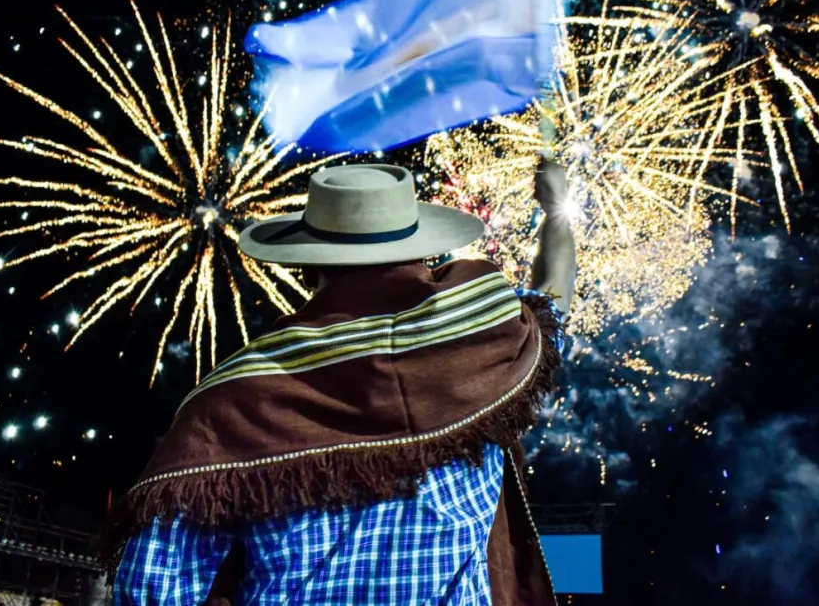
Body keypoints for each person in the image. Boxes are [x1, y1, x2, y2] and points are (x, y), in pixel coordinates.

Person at [103, 160, 577, 605]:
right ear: (418, 247)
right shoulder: (486, 352)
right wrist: (557, 212)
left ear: (308, 264)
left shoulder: (234, 401)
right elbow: (554, 296)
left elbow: (152, 586)